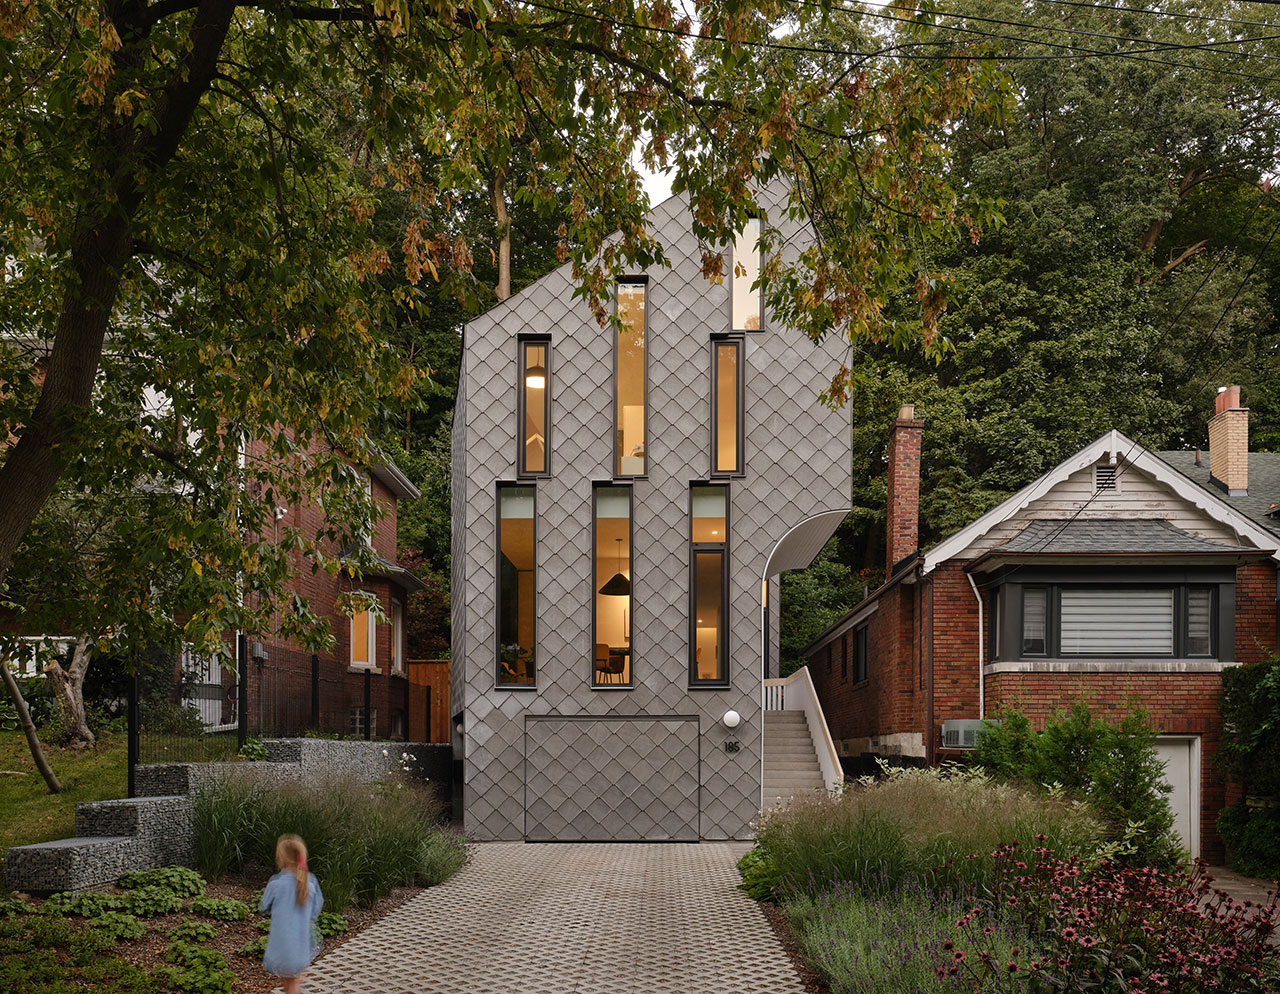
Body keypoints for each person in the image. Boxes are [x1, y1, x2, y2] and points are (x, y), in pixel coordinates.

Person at [260, 834, 324, 994]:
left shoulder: (275, 884)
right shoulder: (310, 883)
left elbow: (263, 907)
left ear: (280, 857)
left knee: (288, 982)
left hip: (280, 947)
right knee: (294, 982)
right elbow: (316, 910)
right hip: (299, 945)